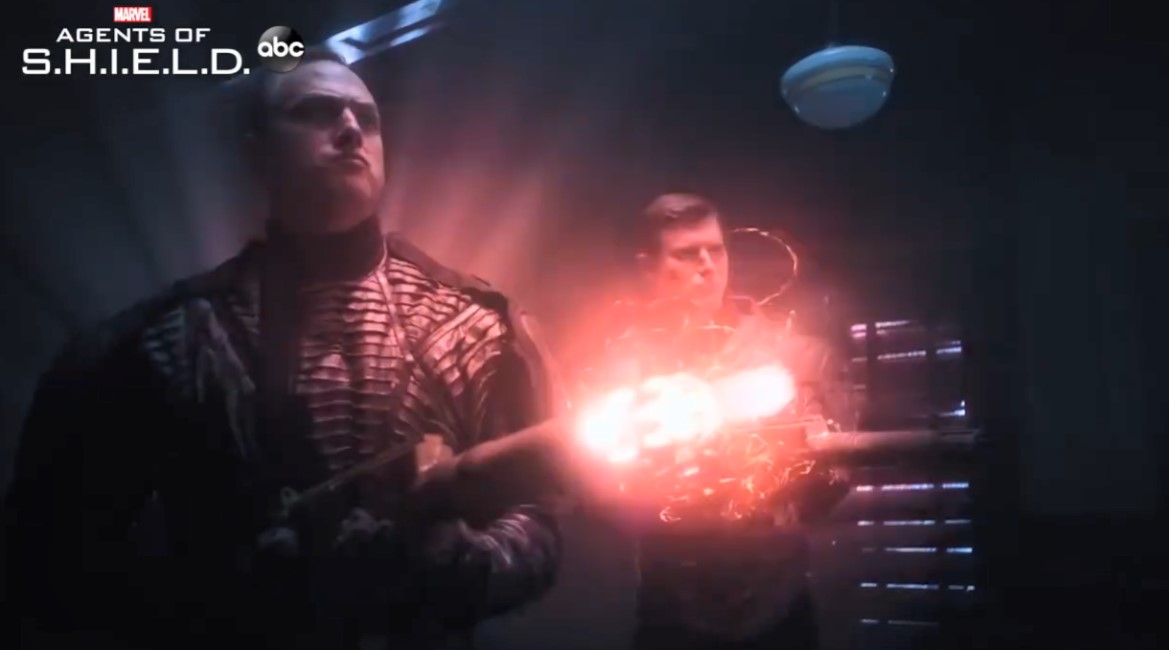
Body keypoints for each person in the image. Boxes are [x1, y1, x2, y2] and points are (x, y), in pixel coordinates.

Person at [1, 47, 563, 650]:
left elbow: (537, 517)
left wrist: (464, 564)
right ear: (258, 151)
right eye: (316, 111)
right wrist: (221, 588)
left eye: (367, 118)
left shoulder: (473, 326)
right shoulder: (169, 341)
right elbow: (53, 557)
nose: (350, 129)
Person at [578, 193, 853, 650]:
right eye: (687, 254)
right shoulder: (619, 370)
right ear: (648, 266)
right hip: (673, 608)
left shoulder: (796, 355)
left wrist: (772, 475)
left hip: (778, 607)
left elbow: (834, 482)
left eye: (716, 249)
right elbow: (596, 492)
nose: (707, 265)